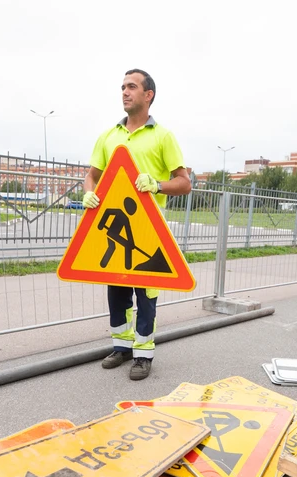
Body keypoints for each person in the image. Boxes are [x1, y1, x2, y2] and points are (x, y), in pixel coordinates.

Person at [82, 69, 191, 381]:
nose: (125, 92)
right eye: (123, 87)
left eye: (132, 87)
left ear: (148, 95)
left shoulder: (163, 136)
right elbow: (92, 175)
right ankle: (121, 347)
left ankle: (143, 354)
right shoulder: (108, 136)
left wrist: (156, 185)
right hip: (114, 232)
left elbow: (184, 183)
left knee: (146, 298)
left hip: (149, 234)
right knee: (116, 293)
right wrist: (89, 193)